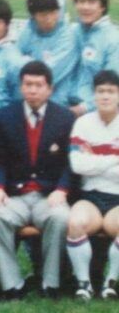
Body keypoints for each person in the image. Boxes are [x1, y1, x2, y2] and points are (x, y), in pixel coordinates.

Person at [0, 61, 74, 299]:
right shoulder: (5, 117)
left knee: (60, 217)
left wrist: (62, 190)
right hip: (16, 196)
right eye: (28, 84)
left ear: (50, 89)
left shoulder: (65, 118)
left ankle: (50, 283)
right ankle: (12, 283)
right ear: (21, 87)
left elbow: (70, 162)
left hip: (48, 196)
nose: (32, 90)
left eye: (38, 85)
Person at [66, 70, 119, 300]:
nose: (105, 96)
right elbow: (78, 165)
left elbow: (88, 163)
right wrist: (115, 157)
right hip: (90, 197)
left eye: (111, 91)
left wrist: (95, 157)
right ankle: (84, 284)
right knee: (75, 222)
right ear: (94, 95)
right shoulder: (83, 123)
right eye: (100, 91)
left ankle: (111, 282)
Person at [17, 0, 76, 108]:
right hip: (27, 103)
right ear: (33, 15)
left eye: (53, 13)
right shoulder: (28, 31)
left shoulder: (67, 36)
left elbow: (48, 73)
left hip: (57, 104)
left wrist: (27, 61)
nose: (49, 19)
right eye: (43, 15)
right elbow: (13, 61)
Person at [69, 0, 119, 117]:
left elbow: (112, 85)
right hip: (66, 106)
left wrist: (84, 108)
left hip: (94, 112)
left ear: (102, 7)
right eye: (81, 1)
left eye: (92, 2)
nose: (85, 7)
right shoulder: (73, 32)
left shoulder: (113, 39)